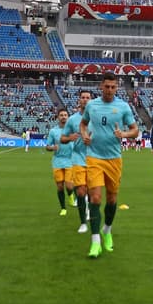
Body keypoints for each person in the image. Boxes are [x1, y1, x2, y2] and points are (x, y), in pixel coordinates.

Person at [79, 73, 139, 258]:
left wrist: (124, 134)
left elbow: (135, 130)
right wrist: (84, 134)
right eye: (107, 87)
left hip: (114, 158)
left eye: (113, 87)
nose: (110, 90)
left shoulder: (122, 106)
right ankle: (95, 241)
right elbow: (83, 124)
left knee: (112, 199)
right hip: (94, 157)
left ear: (117, 88)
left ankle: (107, 230)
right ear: (101, 86)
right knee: (95, 198)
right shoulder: (92, 105)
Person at [62, 89, 93, 233]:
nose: (85, 99)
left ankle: (89, 210)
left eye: (88, 97)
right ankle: (83, 223)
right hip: (78, 158)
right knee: (80, 191)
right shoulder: (72, 119)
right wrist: (70, 138)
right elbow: (63, 138)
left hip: (95, 159)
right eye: (83, 97)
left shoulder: (98, 118)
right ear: (79, 100)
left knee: (92, 191)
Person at [45, 108, 74, 215]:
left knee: (69, 185)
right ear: (58, 117)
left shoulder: (73, 130)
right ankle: (63, 208)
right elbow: (47, 147)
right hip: (57, 161)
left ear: (68, 117)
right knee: (60, 186)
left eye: (65, 115)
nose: (63, 117)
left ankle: (71, 195)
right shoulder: (53, 131)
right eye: (61, 115)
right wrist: (53, 148)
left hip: (70, 161)